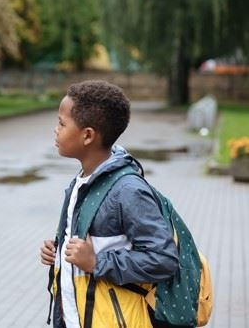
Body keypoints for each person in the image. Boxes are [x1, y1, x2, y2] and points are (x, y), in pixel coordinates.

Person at [40, 80, 179, 328]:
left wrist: (96, 262)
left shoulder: (127, 191)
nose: (55, 129)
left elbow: (163, 258)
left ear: (88, 136)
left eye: (62, 123)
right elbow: (90, 245)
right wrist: (58, 250)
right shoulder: (81, 181)